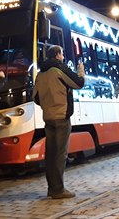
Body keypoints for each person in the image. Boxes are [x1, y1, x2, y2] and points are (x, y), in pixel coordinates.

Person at [32, 45, 85, 199]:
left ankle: (51, 188)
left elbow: (35, 97)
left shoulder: (40, 74)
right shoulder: (59, 69)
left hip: (48, 117)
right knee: (60, 154)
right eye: (62, 53)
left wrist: (48, 105)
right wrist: (80, 69)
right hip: (61, 116)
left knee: (51, 153)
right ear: (57, 55)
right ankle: (58, 189)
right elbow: (79, 83)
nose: (63, 56)